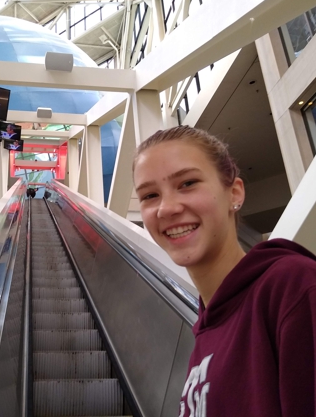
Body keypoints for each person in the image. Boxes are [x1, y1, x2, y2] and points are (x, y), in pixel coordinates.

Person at [132, 125, 316, 417]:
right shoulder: (208, 329)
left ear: (235, 192)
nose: (166, 209)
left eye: (188, 183)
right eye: (149, 195)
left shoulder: (293, 288)